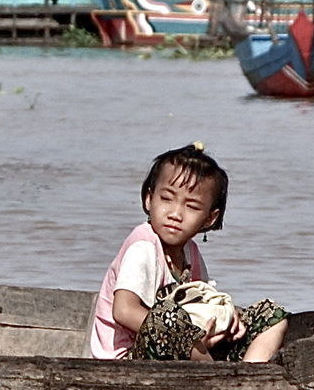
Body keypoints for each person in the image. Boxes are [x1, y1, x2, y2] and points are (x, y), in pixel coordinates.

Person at [89, 144, 288, 363]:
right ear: (149, 199)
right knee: (166, 318)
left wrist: (227, 319)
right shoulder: (143, 245)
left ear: (209, 218)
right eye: (166, 199)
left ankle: (248, 376)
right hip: (129, 358)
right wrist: (187, 334)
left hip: (180, 347)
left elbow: (202, 303)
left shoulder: (190, 252)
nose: (175, 213)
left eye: (191, 206)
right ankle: (218, 381)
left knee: (271, 315)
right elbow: (124, 310)